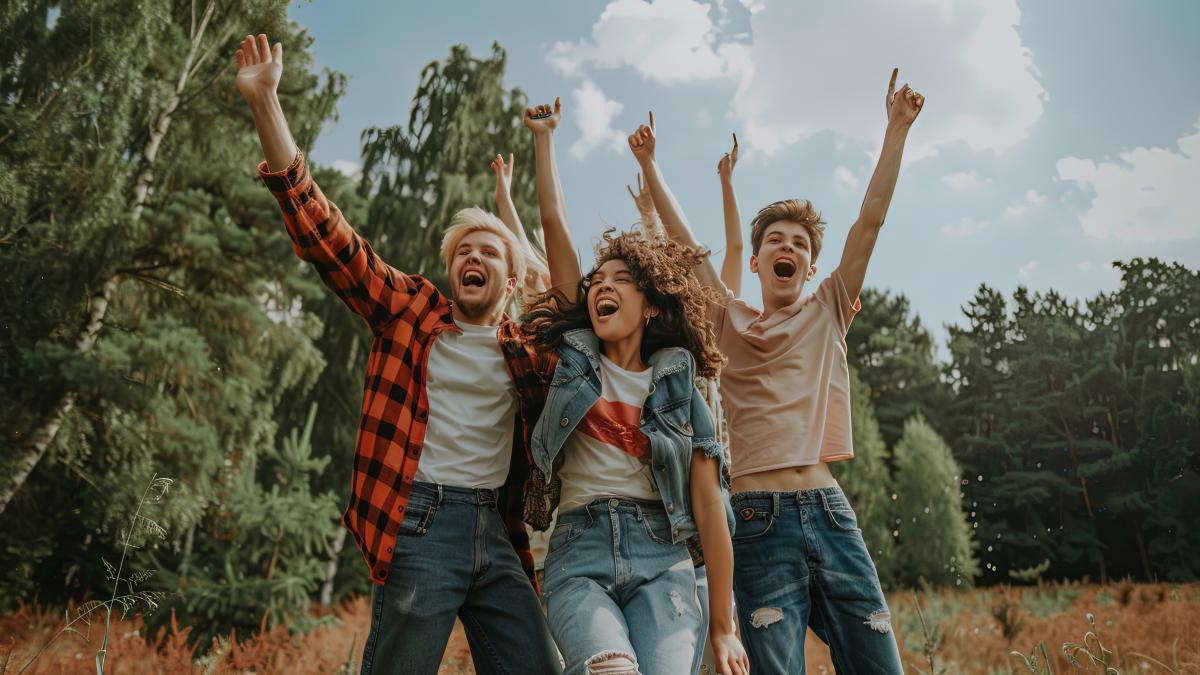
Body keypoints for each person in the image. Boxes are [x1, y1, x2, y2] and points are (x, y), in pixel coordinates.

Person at [234, 34, 562, 675]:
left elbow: (567, 299)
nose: (472, 258)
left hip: (497, 535)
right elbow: (324, 232)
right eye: (462, 252)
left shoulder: (530, 354)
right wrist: (267, 102)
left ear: (512, 279)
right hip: (422, 523)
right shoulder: (409, 310)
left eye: (488, 253)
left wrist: (520, 204)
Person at [629, 69, 925, 674]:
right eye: (776, 242)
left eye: (800, 244)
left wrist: (895, 130)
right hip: (759, 524)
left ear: (811, 268)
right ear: (759, 260)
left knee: (879, 665)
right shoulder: (729, 321)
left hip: (830, 511)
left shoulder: (828, 310)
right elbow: (686, 247)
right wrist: (651, 164)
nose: (787, 248)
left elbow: (869, 221)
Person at [521, 97, 748, 675]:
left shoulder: (677, 382)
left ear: (648, 306)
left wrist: (723, 627)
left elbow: (707, 503)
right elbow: (554, 227)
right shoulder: (576, 358)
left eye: (621, 279)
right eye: (598, 279)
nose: (603, 284)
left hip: (662, 558)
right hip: (579, 549)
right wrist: (545, 140)